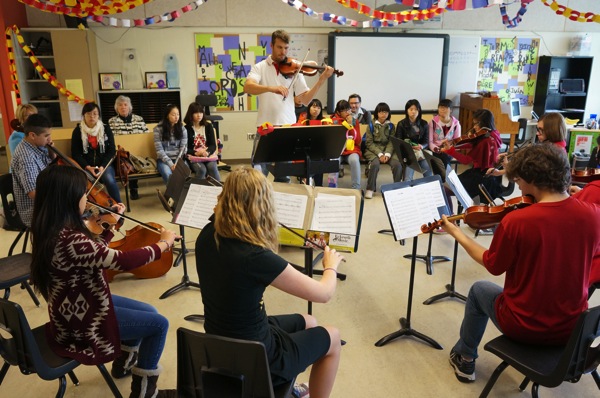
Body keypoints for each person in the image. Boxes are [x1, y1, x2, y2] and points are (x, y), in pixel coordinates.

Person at [441, 144, 600, 384]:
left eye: (518, 179)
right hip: (572, 328)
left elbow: (492, 265)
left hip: (525, 325)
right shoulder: (594, 215)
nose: (517, 184)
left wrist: (457, 233)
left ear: (531, 179)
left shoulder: (516, 221)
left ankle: (465, 357)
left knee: (478, 290)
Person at [29, 165, 179, 397]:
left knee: (148, 310)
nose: (87, 200)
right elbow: (123, 261)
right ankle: (145, 390)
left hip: (75, 305)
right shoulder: (70, 239)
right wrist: (164, 244)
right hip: (84, 321)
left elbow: (94, 254)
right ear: (68, 198)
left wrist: (111, 225)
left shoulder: (50, 227)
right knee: (160, 324)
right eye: (82, 194)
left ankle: (124, 361)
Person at [195, 167, 343, 398]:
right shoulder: (254, 257)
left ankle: (289, 387)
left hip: (219, 343)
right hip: (255, 356)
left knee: (309, 321)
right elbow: (323, 293)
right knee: (332, 337)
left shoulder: (206, 235)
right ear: (261, 206)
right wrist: (330, 265)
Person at [244, 29, 334, 180]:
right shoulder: (260, 67)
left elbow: (305, 100)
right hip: (265, 128)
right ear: (271, 46)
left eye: (286, 48)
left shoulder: (295, 68)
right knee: (258, 176)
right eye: (279, 47)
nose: (283, 52)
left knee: (284, 176)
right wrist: (271, 88)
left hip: (287, 129)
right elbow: (248, 87)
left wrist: (322, 80)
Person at [440, 108, 502, 203]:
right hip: (490, 175)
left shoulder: (485, 141)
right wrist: (454, 146)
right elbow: (472, 143)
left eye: (476, 124)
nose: (474, 127)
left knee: (444, 189)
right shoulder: (493, 134)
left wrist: (450, 151)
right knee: (447, 186)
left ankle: (451, 214)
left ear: (484, 123)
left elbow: (466, 160)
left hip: (481, 179)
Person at [71, 102, 122, 203]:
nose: (92, 116)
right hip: (85, 167)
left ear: (99, 115)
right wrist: (87, 167)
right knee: (80, 182)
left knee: (110, 180)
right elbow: (75, 153)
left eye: (95, 113)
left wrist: (103, 166)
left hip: (104, 166)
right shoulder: (77, 131)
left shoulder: (106, 129)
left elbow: (112, 150)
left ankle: (119, 207)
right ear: (83, 115)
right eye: (88, 113)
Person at [10, 113, 54, 227]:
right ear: (32, 135)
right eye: (46, 136)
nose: (49, 139)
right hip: (34, 210)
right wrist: (59, 195)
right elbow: (33, 193)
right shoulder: (26, 157)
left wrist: (52, 151)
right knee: (73, 213)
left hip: (45, 201)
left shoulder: (38, 146)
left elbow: (52, 167)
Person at [108, 95, 149, 200]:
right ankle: (131, 188)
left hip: (138, 152)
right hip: (122, 154)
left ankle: (133, 188)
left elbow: (145, 134)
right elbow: (111, 139)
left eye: (125, 104)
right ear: (116, 108)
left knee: (135, 160)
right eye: (120, 105)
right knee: (127, 161)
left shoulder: (139, 119)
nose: (123, 107)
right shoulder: (112, 121)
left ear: (129, 107)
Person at [363, 102, 402, 199]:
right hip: (373, 150)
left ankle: (398, 188)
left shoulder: (392, 126)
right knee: (375, 164)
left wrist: (387, 154)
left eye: (386, 112)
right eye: (381, 112)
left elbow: (392, 142)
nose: (383, 114)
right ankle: (370, 189)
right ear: (377, 113)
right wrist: (380, 154)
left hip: (388, 150)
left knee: (397, 165)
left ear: (389, 113)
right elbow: (369, 143)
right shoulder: (371, 125)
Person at [395, 99, 433, 181]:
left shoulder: (424, 124)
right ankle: (407, 186)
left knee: (427, 167)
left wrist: (421, 146)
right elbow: (398, 141)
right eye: (411, 109)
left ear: (419, 110)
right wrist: (410, 147)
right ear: (407, 110)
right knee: (410, 166)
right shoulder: (401, 124)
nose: (413, 112)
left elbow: (426, 141)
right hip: (407, 153)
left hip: (420, 153)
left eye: (416, 109)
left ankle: (430, 187)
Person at [183, 102, 221, 181]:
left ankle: (220, 189)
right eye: (196, 113)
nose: (199, 115)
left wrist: (207, 152)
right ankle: (198, 191)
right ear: (191, 114)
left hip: (207, 155)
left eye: (201, 112)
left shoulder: (208, 126)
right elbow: (184, 148)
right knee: (201, 170)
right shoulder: (186, 128)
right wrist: (195, 153)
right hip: (193, 156)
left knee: (212, 167)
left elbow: (213, 145)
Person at [332, 100, 362, 190]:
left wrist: (350, 125)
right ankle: (332, 187)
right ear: (338, 112)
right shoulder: (333, 121)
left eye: (348, 110)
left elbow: (358, 140)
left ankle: (356, 188)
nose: (348, 112)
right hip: (337, 150)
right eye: (345, 111)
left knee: (354, 160)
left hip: (351, 149)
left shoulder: (354, 121)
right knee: (334, 160)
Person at [154, 104, 187, 184]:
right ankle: (172, 196)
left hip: (179, 159)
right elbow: (159, 150)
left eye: (178, 114)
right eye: (173, 114)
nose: (176, 117)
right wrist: (171, 164)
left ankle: (182, 195)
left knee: (184, 173)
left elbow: (183, 148)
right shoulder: (158, 129)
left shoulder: (182, 129)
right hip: (164, 160)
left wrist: (177, 163)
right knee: (168, 174)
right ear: (167, 116)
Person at [429, 99, 461, 168]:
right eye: (440, 107)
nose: (442, 109)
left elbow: (457, 142)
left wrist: (448, 148)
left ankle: (442, 176)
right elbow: (430, 141)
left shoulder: (456, 124)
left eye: (445, 107)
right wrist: (438, 149)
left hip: (449, 149)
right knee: (440, 158)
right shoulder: (433, 122)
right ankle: (446, 175)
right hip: (436, 149)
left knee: (444, 156)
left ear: (451, 110)